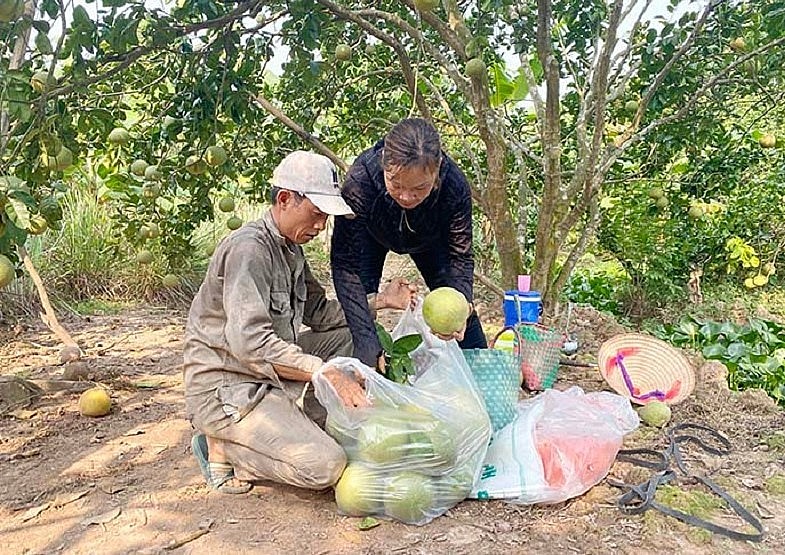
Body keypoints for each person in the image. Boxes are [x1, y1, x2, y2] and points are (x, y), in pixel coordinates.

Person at [183, 150, 414, 494]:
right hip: (229, 386)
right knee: (324, 466)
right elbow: (250, 343)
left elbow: (320, 313)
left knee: (354, 331)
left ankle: (308, 422)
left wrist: (381, 300)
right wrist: (322, 371)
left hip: (265, 372)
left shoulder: (291, 248)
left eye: (325, 217)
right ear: (285, 199)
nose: (321, 226)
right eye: (316, 214)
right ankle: (222, 446)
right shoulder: (249, 249)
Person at [331, 118, 487, 370]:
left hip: (430, 240)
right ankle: (361, 385)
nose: (405, 196)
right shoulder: (361, 181)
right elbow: (345, 264)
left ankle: (482, 376)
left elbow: (460, 257)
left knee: (460, 313)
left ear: (437, 171)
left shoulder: (454, 187)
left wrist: (463, 304)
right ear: (384, 165)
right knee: (362, 328)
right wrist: (365, 339)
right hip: (372, 235)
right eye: (395, 183)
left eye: (419, 188)